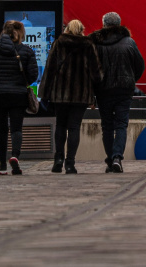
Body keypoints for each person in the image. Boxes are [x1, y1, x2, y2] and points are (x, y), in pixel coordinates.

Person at [39, 19, 102, 174]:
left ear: (67, 29)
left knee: (60, 125)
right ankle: (70, 163)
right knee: (74, 127)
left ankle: (58, 159)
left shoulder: (59, 43)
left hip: (60, 94)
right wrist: (95, 96)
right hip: (81, 95)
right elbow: (96, 74)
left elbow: (49, 69)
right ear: (82, 30)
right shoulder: (89, 45)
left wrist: (44, 93)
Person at [0, 20, 39, 176]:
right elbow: (33, 74)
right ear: (19, 33)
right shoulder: (26, 51)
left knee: (2, 129)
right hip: (18, 94)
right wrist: (23, 82)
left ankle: (2, 166)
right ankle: (15, 155)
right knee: (16, 127)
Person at [91, 12, 145, 173]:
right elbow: (140, 65)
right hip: (124, 90)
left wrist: (94, 89)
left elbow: (92, 69)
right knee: (121, 124)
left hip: (103, 90)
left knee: (107, 126)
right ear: (120, 24)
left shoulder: (97, 44)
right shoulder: (129, 43)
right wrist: (131, 79)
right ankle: (117, 157)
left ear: (104, 24)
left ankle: (110, 160)